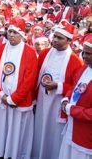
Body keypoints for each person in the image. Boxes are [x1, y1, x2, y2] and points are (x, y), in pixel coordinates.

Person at [0, 17, 38, 159]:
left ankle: (14, 153)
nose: (12, 35)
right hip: (1, 99)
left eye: (15, 32)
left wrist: (14, 99)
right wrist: (0, 95)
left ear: (21, 34)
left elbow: (29, 79)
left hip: (18, 102)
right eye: (10, 32)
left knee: (16, 131)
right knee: (0, 127)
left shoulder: (30, 52)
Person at [32, 20, 83, 159]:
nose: (54, 40)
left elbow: (76, 88)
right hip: (42, 100)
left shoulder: (75, 60)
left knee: (53, 134)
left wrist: (58, 86)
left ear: (68, 40)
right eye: (54, 36)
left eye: (59, 38)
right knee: (40, 129)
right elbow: (36, 75)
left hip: (58, 104)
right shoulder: (44, 53)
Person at [59, 38, 92, 159]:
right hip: (71, 128)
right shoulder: (85, 68)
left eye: (88, 53)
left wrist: (71, 110)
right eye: (83, 52)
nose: (84, 56)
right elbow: (74, 87)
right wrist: (66, 99)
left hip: (85, 137)